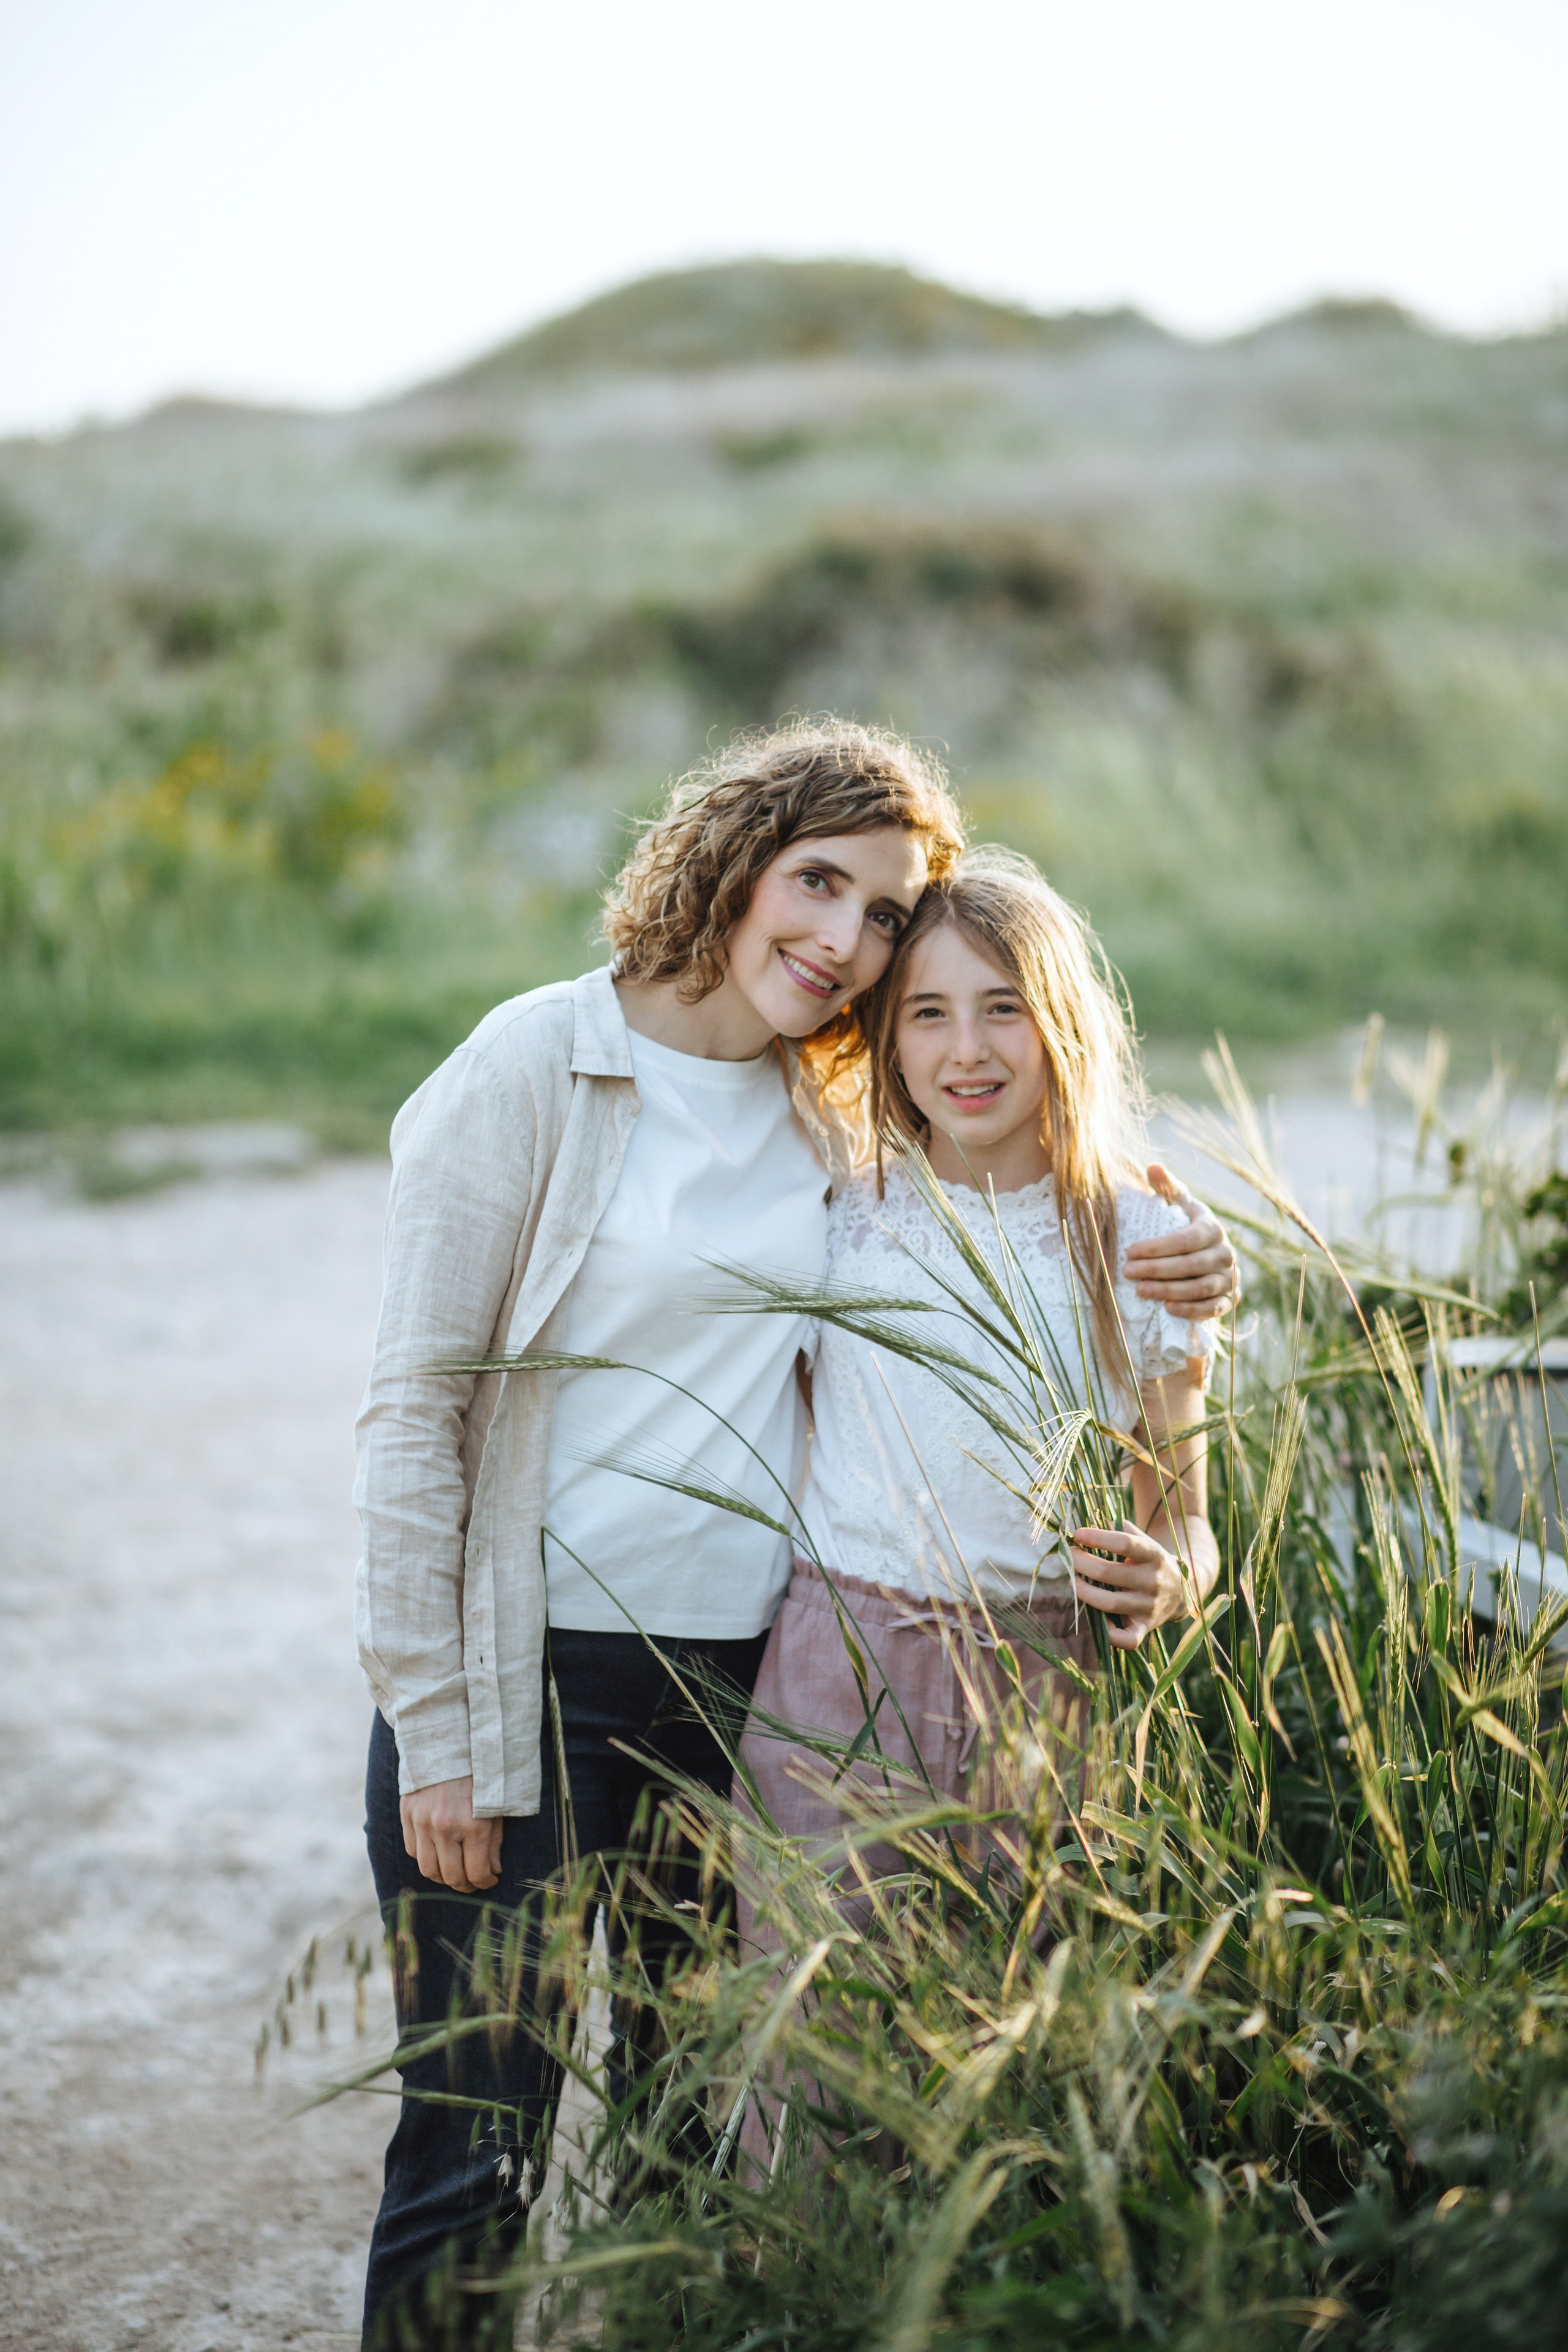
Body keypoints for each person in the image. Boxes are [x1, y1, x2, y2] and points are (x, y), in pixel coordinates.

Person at [353, 728, 1235, 2347]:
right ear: (738, 860)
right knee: (474, 2161)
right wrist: (433, 1729)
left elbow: (1033, 1195)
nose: (843, 937)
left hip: (746, 1693)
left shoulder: (835, 1117)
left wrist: (1170, 1244)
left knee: (702, 2141)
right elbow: (415, 1413)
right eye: (819, 881)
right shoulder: (531, 1067)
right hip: (526, 1680)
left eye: (887, 913)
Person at [736, 848, 1223, 2087]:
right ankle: (795, 2280)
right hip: (842, 1670)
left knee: (1018, 2040)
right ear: (886, 1044)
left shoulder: (1140, 1238)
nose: (968, 1051)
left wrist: (1168, 1577)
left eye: (1003, 1007)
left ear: (1061, 1025)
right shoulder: (843, 1220)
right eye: (929, 1015)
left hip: (1048, 1680)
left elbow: (1189, 1521)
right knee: (820, 2040)